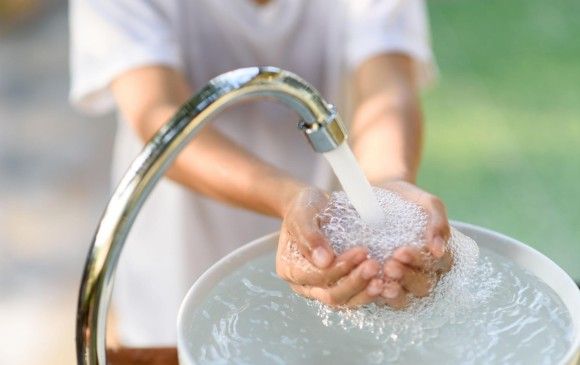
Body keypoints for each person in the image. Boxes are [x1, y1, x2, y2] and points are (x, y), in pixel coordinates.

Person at [70, 0, 452, 347]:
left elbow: (386, 87)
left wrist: (386, 186)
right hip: (173, 291)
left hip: (328, 284)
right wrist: (289, 198)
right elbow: (159, 116)